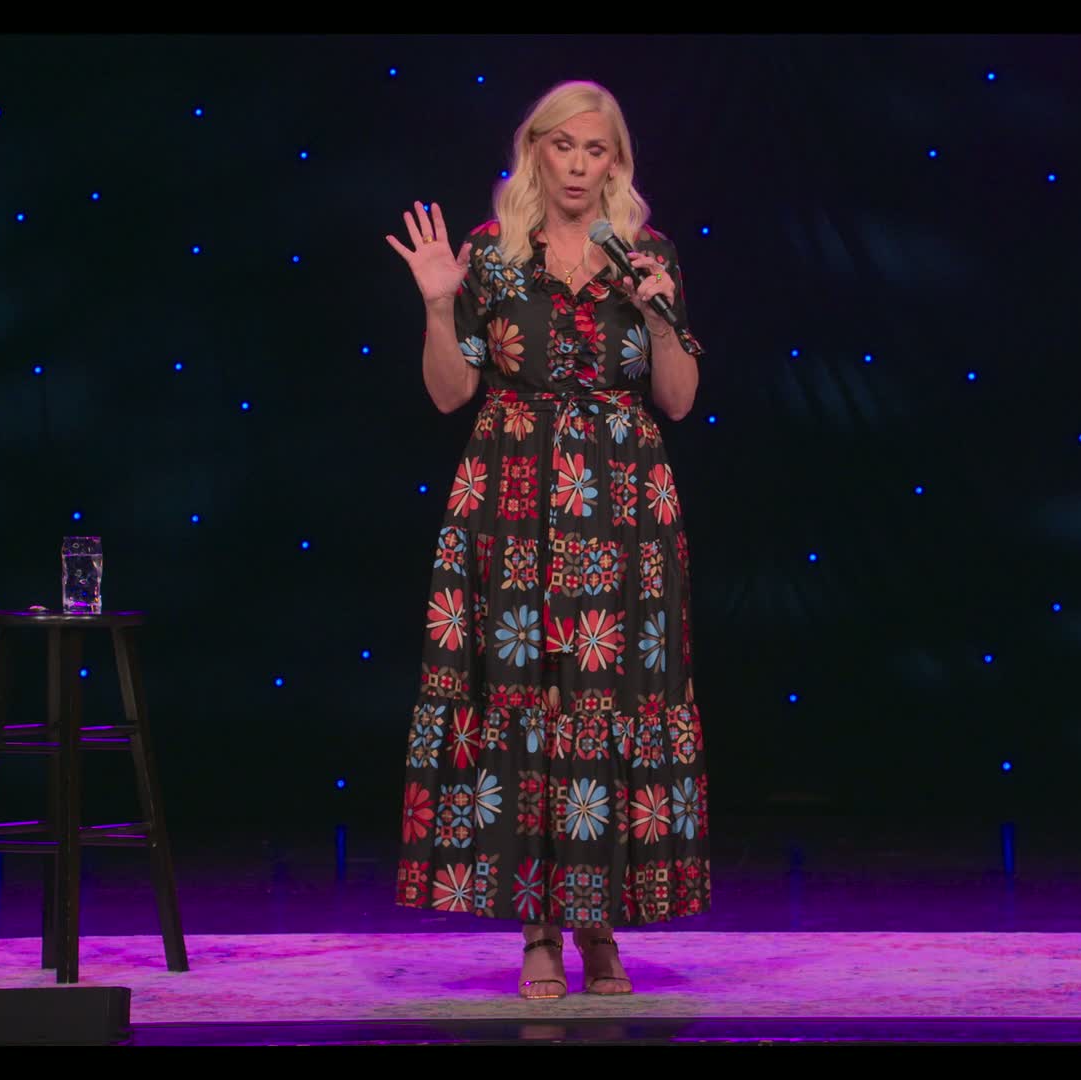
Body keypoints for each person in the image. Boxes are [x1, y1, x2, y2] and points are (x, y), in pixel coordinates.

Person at [384, 79, 711, 1000]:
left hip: (623, 505)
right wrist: (438, 306)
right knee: (523, 694)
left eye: (594, 150)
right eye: (561, 146)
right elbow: (450, 394)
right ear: (534, 150)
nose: (576, 165)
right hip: (512, 498)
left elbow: (679, 399)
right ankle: (538, 928)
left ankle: (600, 927)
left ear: (616, 162)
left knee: (608, 699)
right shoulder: (491, 255)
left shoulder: (648, 254)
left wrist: (659, 316)